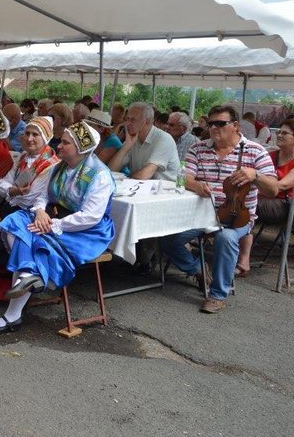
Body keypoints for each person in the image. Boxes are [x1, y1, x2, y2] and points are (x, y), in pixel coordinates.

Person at [0, 121, 115, 333]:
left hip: (87, 231)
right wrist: (40, 211)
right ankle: (28, 274)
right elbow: (44, 196)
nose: (59, 146)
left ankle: (15, 308)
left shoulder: (99, 175)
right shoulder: (59, 167)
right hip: (54, 217)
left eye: (65, 143)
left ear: (80, 148)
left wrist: (54, 224)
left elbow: (91, 217)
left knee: (32, 238)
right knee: (14, 222)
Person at [161, 106, 277, 314]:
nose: (214, 127)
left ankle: (217, 295)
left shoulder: (255, 151)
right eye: (211, 123)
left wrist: (255, 175)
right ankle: (198, 269)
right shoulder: (198, 148)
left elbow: (274, 189)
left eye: (220, 123)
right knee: (166, 237)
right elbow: (184, 177)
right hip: (201, 215)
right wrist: (196, 185)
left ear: (235, 126)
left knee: (226, 237)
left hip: (237, 217)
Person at [0, 116, 59, 299]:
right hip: (11, 208)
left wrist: (13, 192)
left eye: (35, 134)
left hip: (29, 213)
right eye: (27, 133)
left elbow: (33, 197)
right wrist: (13, 190)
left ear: (46, 138)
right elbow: (4, 184)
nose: (29, 138)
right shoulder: (23, 158)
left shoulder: (51, 164)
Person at [235, 119, 294, 276]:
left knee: (245, 206)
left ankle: (242, 259)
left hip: (283, 205)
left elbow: (281, 186)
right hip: (261, 198)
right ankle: (231, 251)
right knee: (238, 202)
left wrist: (257, 180)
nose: (279, 135)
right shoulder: (271, 155)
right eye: (279, 132)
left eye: (285, 133)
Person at [108, 102, 179, 181]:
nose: (127, 123)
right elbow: (111, 170)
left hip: (167, 188)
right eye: (127, 118)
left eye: (133, 119)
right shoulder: (133, 139)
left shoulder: (164, 139)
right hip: (141, 186)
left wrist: (127, 180)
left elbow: (144, 175)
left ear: (147, 121)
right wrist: (126, 146)